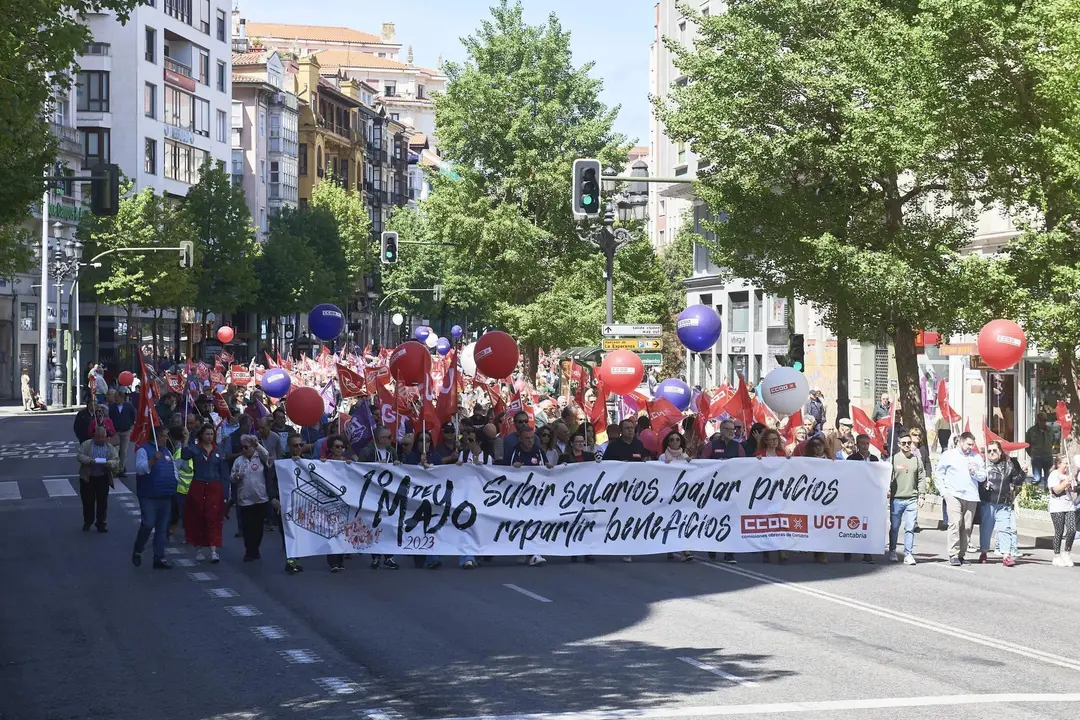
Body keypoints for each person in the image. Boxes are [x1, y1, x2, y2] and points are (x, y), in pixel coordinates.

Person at [934, 431, 985, 566]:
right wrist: (944, 492)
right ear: (960, 441)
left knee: (967, 526)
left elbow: (983, 477)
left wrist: (974, 470)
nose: (970, 447)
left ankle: (962, 554)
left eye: (972, 445)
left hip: (971, 496)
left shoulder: (976, 458)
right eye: (968, 444)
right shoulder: (949, 455)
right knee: (955, 523)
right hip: (953, 494)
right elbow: (939, 474)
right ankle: (953, 553)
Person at [132, 427, 177, 569]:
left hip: (165, 494)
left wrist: (174, 481)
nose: (166, 438)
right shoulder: (144, 450)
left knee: (162, 528)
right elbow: (140, 469)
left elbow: (174, 469)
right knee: (148, 524)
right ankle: (138, 549)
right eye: (164, 436)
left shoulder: (167, 451)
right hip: (149, 495)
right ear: (156, 437)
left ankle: (159, 557)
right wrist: (152, 461)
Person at [182, 424, 228, 564]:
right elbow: (184, 455)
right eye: (207, 434)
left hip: (214, 486)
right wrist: (186, 439)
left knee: (213, 517)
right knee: (198, 516)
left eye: (211, 434)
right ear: (201, 435)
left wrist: (225, 493)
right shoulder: (195, 449)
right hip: (198, 485)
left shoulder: (218, 450)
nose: (209, 437)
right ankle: (199, 549)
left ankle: (213, 550)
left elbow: (223, 473)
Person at [357, 427, 399, 571]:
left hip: (389, 493)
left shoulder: (392, 451)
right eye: (389, 436)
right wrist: (375, 466)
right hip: (372, 494)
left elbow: (400, 468)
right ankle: (375, 556)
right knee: (374, 524)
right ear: (381, 439)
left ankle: (389, 556)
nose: (391, 439)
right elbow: (359, 469)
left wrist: (398, 465)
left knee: (389, 523)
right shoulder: (368, 451)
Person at [978, 441, 1025, 566]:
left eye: (994, 450)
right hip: (988, 502)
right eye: (989, 451)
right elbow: (976, 480)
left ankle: (1006, 555)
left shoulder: (1009, 465)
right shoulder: (983, 466)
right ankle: (984, 552)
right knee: (986, 530)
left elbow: (1016, 481)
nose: (992, 453)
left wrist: (1023, 472)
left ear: (1000, 452)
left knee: (1005, 529)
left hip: (1003, 503)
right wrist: (982, 485)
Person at [230, 434, 273, 562]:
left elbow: (267, 455)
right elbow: (231, 475)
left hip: (260, 498)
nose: (244, 450)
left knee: (258, 526)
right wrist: (235, 476)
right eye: (242, 447)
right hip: (245, 499)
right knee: (247, 527)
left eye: (246, 447)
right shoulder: (239, 461)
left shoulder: (260, 458)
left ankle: (255, 549)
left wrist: (257, 444)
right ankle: (249, 550)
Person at [888, 432, 927, 565]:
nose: (906, 445)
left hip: (912, 499)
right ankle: (892, 550)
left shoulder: (916, 460)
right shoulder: (893, 459)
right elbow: (887, 478)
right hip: (896, 499)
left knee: (910, 527)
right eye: (903, 443)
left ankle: (908, 554)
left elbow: (921, 477)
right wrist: (887, 489)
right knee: (895, 527)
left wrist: (922, 495)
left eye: (909, 443)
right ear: (899, 444)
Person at [77, 424, 118, 532]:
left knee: (102, 502)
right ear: (93, 436)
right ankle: (88, 521)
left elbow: (115, 459)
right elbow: (80, 455)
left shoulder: (110, 448)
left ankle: (101, 523)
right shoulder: (87, 444)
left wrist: (110, 463)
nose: (100, 439)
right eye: (98, 437)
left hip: (102, 477)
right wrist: (90, 461)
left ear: (106, 437)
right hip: (88, 477)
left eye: (103, 437)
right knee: (87, 501)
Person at [1047, 455, 1077, 567]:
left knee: (1072, 529)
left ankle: (1067, 552)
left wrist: (1071, 485)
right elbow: (1056, 490)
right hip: (1057, 506)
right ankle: (1056, 556)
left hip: (1068, 505)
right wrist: (1065, 482)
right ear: (1059, 464)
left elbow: (1071, 490)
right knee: (1059, 531)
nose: (1066, 465)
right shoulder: (1053, 475)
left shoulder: (1067, 475)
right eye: (1064, 463)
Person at [110, 389, 136, 477]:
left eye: (117, 397)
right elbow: (110, 418)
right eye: (115, 397)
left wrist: (130, 425)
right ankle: (115, 469)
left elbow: (133, 417)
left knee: (124, 451)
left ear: (122, 398)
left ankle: (121, 469)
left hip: (126, 431)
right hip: (116, 432)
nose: (115, 399)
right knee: (116, 451)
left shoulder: (129, 406)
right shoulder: (112, 407)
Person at [1025, 413, 1054, 491]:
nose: (1043, 422)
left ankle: (1047, 494)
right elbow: (1027, 445)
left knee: (1048, 478)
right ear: (1037, 420)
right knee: (1037, 478)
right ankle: (1031, 492)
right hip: (1036, 457)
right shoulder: (1031, 431)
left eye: (1045, 420)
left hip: (1048, 457)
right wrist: (1032, 454)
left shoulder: (1050, 430)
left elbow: (1053, 441)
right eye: (1041, 420)